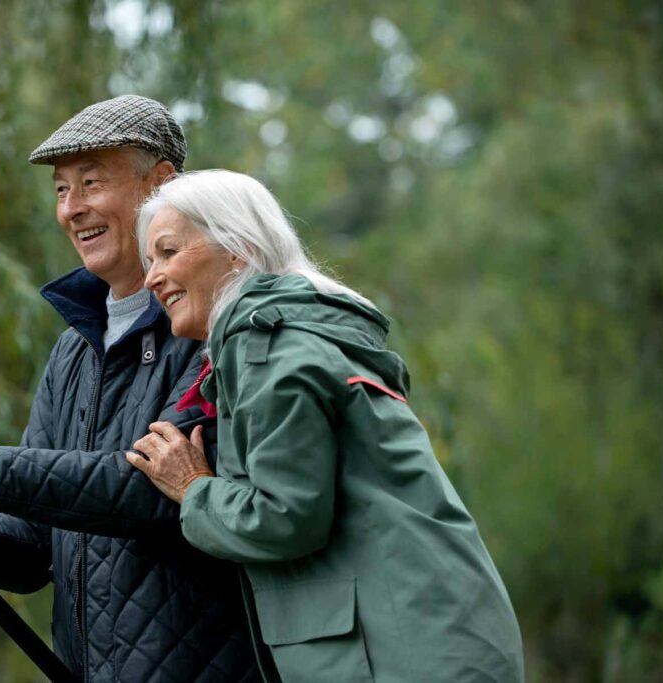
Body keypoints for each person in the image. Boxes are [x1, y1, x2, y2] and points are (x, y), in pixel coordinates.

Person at [0, 100, 259, 681]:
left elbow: (157, 491)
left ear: (161, 185)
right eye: (60, 190)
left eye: (91, 183)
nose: (72, 209)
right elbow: (32, 552)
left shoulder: (210, 325)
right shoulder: (72, 352)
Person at [127, 169, 525, 682]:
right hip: (442, 638)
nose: (151, 278)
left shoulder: (270, 350)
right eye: (149, 260)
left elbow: (287, 517)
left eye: (167, 252)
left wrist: (195, 489)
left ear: (238, 248)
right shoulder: (296, 336)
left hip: (405, 656)